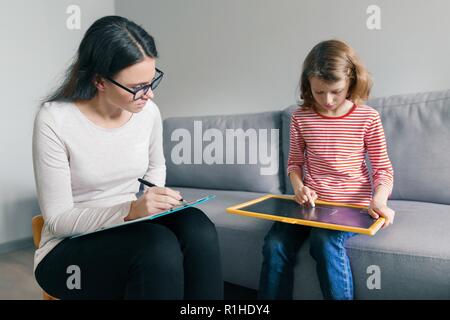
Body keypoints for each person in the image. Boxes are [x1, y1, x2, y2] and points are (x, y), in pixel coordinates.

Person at [32, 15, 223, 300]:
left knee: (199, 227)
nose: (149, 96)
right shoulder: (55, 120)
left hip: (131, 227)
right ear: (99, 80)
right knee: (157, 248)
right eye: (137, 87)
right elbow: (58, 220)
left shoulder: (147, 113)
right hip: (68, 249)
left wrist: (156, 200)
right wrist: (131, 210)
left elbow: (156, 166)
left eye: (152, 81)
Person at [258, 39, 395, 300]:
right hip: (309, 206)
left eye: (336, 91)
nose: (328, 100)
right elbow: (294, 163)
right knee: (275, 244)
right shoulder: (300, 118)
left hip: (349, 205)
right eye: (319, 92)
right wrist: (299, 188)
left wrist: (379, 200)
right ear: (308, 85)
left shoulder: (368, 118)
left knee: (323, 241)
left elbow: (383, 169)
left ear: (351, 82)